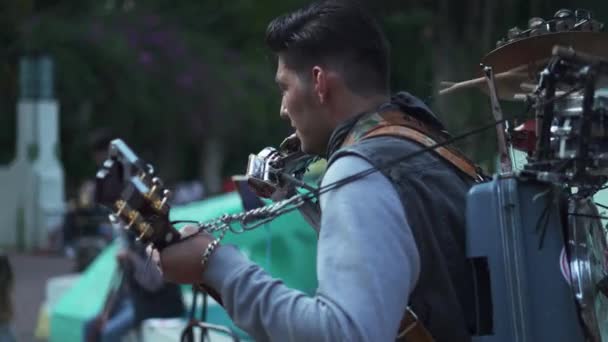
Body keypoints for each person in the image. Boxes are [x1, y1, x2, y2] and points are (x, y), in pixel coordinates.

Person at [157, 1, 485, 341]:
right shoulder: (424, 141)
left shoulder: (359, 172)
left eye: (284, 87)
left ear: (318, 82)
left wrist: (216, 266)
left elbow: (343, 334)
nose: (283, 109)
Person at [83, 231, 185, 342]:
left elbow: (153, 285)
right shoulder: (131, 247)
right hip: (132, 302)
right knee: (89, 325)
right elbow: (119, 287)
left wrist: (132, 258)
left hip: (154, 305)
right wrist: (105, 312)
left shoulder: (155, 248)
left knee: (109, 332)